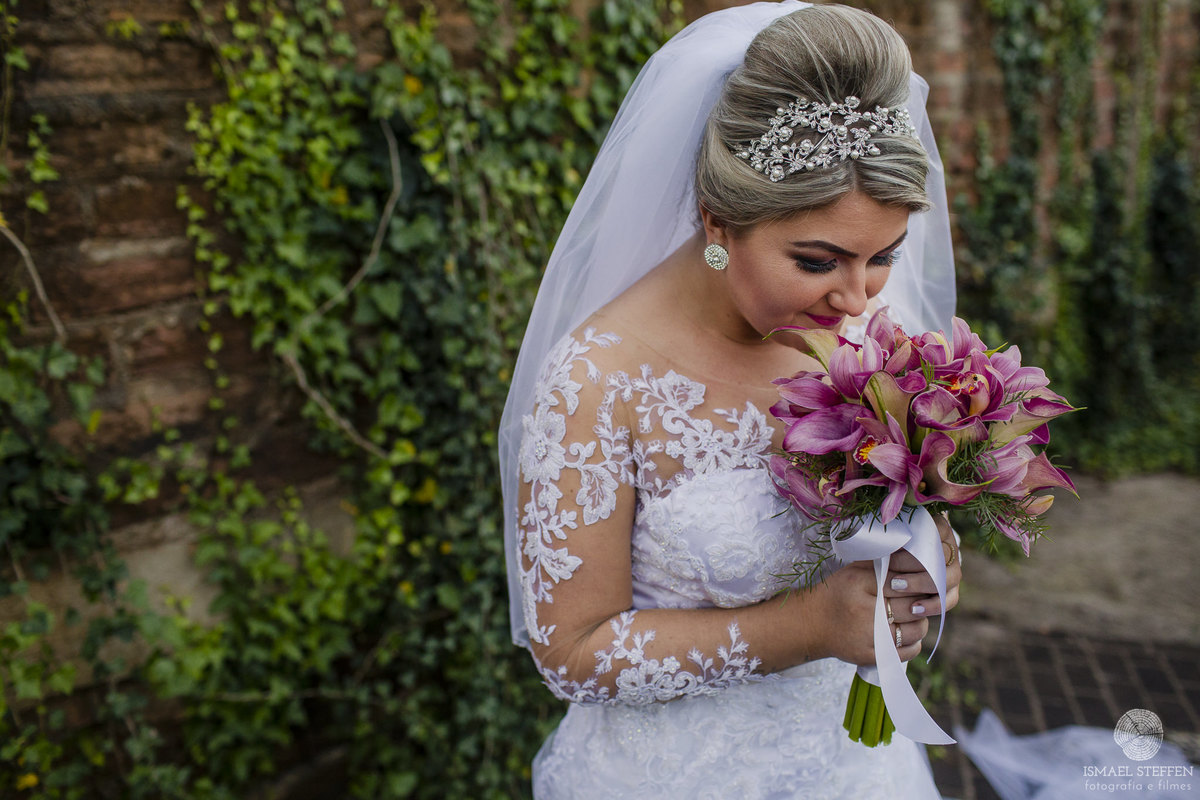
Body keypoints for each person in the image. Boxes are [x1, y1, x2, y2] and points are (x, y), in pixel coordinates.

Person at [497, 2, 963, 796]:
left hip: (855, 770)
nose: (857, 299)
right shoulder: (599, 379)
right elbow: (570, 650)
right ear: (718, 220)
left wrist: (927, 562)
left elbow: (900, 515)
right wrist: (814, 627)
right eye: (818, 261)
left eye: (882, 256)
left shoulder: (874, 338)